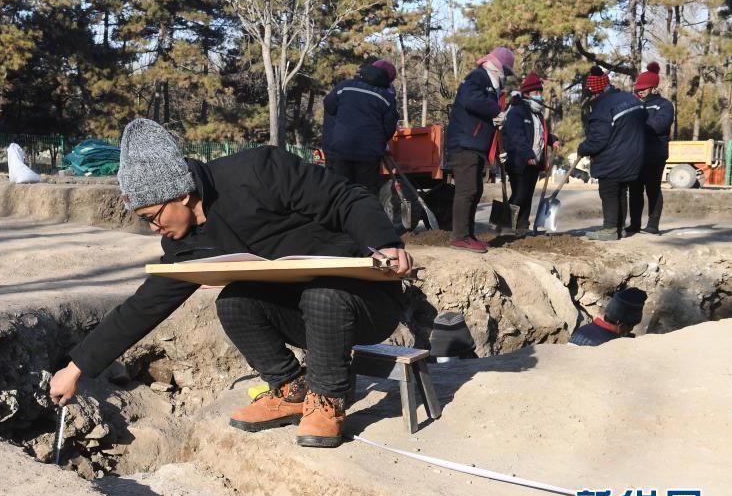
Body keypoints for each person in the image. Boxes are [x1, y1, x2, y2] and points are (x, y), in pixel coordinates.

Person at [49, 118, 413, 449]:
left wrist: (385, 241)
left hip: (364, 303)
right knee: (235, 301)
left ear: (181, 194)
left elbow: (345, 198)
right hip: (302, 317)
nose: (153, 229)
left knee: (324, 292)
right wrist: (76, 368)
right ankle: (291, 390)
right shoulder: (185, 243)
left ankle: (327, 399)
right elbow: (145, 305)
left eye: (152, 217)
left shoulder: (258, 172)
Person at [446, 46, 514, 253]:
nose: (506, 77)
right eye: (506, 72)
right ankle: (459, 237)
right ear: (498, 67)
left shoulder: (489, 85)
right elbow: (470, 100)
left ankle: (469, 234)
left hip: (475, 145)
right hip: (464, 143)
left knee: (476, 190)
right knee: (467, 190)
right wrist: (496, 110)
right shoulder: (478, 77)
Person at [576, 66, 646, 241]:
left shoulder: (602, 109)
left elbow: (598, 140)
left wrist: (583, 148)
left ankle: (609, 229)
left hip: (613, 158)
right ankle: (619, 228)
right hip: (634, 155)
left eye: (590, 94)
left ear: (594, 92)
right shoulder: (630, 98)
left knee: (608, 192)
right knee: (621, 191)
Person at [322, 60, 399, 193]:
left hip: (341, 149)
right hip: (369, 154)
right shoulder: (386, 98)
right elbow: (389, 127)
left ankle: (341, 212)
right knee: (366, 193)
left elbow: (329, 105)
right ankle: (363, 212)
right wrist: (378, 141)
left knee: (341, 192)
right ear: (385, 80)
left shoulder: (344, 87)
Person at [502, 72, 560, 234]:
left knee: (527, 196)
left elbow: (541, 133)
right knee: (519, 195)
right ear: (526, 94)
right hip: (518, 161)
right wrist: (527, 155)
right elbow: (517, 136)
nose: (539, 96)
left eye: (540, 92)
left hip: (535, 161)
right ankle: (505, 226)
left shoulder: (538, 114)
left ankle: (522, 226)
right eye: (536, 93)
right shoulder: (517, 111)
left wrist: (552, 140)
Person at [627, 62, 675, 235]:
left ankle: (653, 225)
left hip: (655, 154)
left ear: (653, 88)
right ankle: (634, 225)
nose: (640, 91)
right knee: (634, 190)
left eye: (643, 88)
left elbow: (660, 124)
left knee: (653, 189)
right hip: (636, 154)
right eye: (638, 88)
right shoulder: (635, 105)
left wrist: (637, 128)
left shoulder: (665, 105)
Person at [569, 288, 647, 346]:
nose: (631, 330)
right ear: (621, 325)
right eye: (630, 326)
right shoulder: (610, 344)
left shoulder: (582, 330)